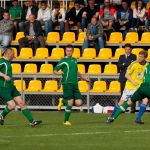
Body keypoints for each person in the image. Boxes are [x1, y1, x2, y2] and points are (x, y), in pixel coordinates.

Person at [0, 48, 42, 126]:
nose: (14, 57)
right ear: (8, 54)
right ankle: (1, 115)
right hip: (3, 88)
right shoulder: (2, 61)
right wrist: (4, 76)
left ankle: (32, 121)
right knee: (12, 106)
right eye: (13, 55)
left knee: (22, 103)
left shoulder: (7, 62)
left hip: (11, 87)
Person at [107, 50, 149, 124]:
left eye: (141, 57)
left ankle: (138, 118)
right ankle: (112, 117)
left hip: (140, 87)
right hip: (130, 86)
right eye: (139, 56)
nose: (139, 58)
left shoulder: (147, 65)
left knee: (145, 100)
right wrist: (133, 82)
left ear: (145, 58)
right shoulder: (134, 63)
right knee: (121, 102)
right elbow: (126, 75)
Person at [54, 45, 89, 126]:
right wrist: (59, 73)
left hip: (75, 84)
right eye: (67, 50)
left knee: (79, 103)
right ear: (65, 51)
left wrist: (84, 78)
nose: (69, 52)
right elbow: (55, 70)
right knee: (70, 102)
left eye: (70, 51)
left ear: (73, 51)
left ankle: (62, 101)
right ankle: (65, 121)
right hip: (67, 83)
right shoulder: (63, 60)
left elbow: (76, 71)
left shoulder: (74, 60)